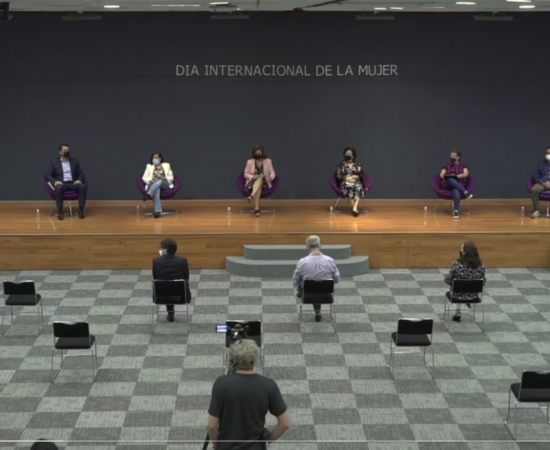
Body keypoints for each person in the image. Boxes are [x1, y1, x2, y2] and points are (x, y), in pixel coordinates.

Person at [207, 339, 290, 450]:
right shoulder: (268, 385)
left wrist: (216, 444)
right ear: (255, 359)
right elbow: (284, 423)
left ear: (233, 359)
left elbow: (212, 425)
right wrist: (267, 441)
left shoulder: (221, 384)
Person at [292, 235, 340, 322]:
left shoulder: (302, 262)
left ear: (307, 246)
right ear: (320, 245)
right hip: (326, 295)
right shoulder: (330, 261)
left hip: (307, 295)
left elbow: (295, 281)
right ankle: (318, 312)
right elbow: (337, 279)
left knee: (304, 285)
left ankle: (317, 312)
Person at [444, 241, 486, 323]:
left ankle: (457, 311)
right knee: (461, 286)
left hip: (456, 295)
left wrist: (449, 280)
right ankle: (463, 304)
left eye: (462, 249)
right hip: (473, 295)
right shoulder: (480, 265)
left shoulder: (457, 264)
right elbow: (483, 281)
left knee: (456, 286)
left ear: (464, 252)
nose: (460, 250)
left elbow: (448, 279)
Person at [152, 238, 191, 322]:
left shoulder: (156, 261)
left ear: (164, 250)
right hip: (181, 295)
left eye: (161, 247)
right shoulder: (183, 261)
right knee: (174, 285)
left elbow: (155, 277)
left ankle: (170, 311)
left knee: (164, 286)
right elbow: (186, 277)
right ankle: (170, 311)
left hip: (161, 296)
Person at [45, 144, 87, 220]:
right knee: (58, 187)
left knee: (82, 187)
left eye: (68, 150)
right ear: (60, 152)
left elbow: (81, 174)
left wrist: (79, 180)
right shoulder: (54, 162)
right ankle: (60, 210)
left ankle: (81, 209)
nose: (67, 152)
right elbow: (47, 175)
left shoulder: (75, 161)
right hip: (62, 183)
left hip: (73, 183)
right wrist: (55, 182)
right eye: (65, 150)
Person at [243, 146, 276, 218]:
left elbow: (273, 173)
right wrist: (252, 177)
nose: (257, 154)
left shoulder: (268, 161)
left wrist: (270, 177)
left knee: (260, 180)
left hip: (264, 183)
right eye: (256, 153)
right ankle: (256, 208)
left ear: (262, 153)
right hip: (252, 182)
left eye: (259, 153)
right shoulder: (250, 162)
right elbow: (245, 174)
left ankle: (252, 196)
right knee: (259, 182)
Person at [440, 151, 473, 219]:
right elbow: (441, 175)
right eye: (451, 156)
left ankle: (456, 211)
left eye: (453, 156)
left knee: (456, 189)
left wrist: (455, 176)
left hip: (458, 184)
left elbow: (466, 174)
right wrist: (449, 176)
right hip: (447, 184)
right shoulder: (447, 165)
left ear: (458, 157)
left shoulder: (463, 165)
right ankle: (465, 192)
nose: (451, 157)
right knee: (450, 179)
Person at [142, 152, 175, 219]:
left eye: (156, 157)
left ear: (160, 158)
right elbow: (144, 177)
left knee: (160, 180)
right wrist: (149, 181)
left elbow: (171, 177)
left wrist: (164, 179)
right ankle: (157, 212)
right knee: (156, 190)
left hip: (164, 183)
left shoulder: (166, 165)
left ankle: (149, 194)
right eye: (153, 158)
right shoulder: (149, 166)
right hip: (153, 184)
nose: (154, 159)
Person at [336, 147, 366, 217]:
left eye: (349, 154)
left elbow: (361, 174)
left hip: (355, 181)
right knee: (349, 187)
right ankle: (355, 209)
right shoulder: (341, 164)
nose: (347, 155)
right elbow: (338, 175)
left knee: (359, 187)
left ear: (353, 156)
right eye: (346, 154)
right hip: (345, 182)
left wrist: (355, 177)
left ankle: (354, 208)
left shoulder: (358, 164)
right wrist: (346, 178)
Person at [530, 146, 550, 219]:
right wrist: (543, 183)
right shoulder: (540, 164)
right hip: (542, 183)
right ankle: (536, 211)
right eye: (547, 153)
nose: (549, 155)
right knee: (534, 190)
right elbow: (536, 176)